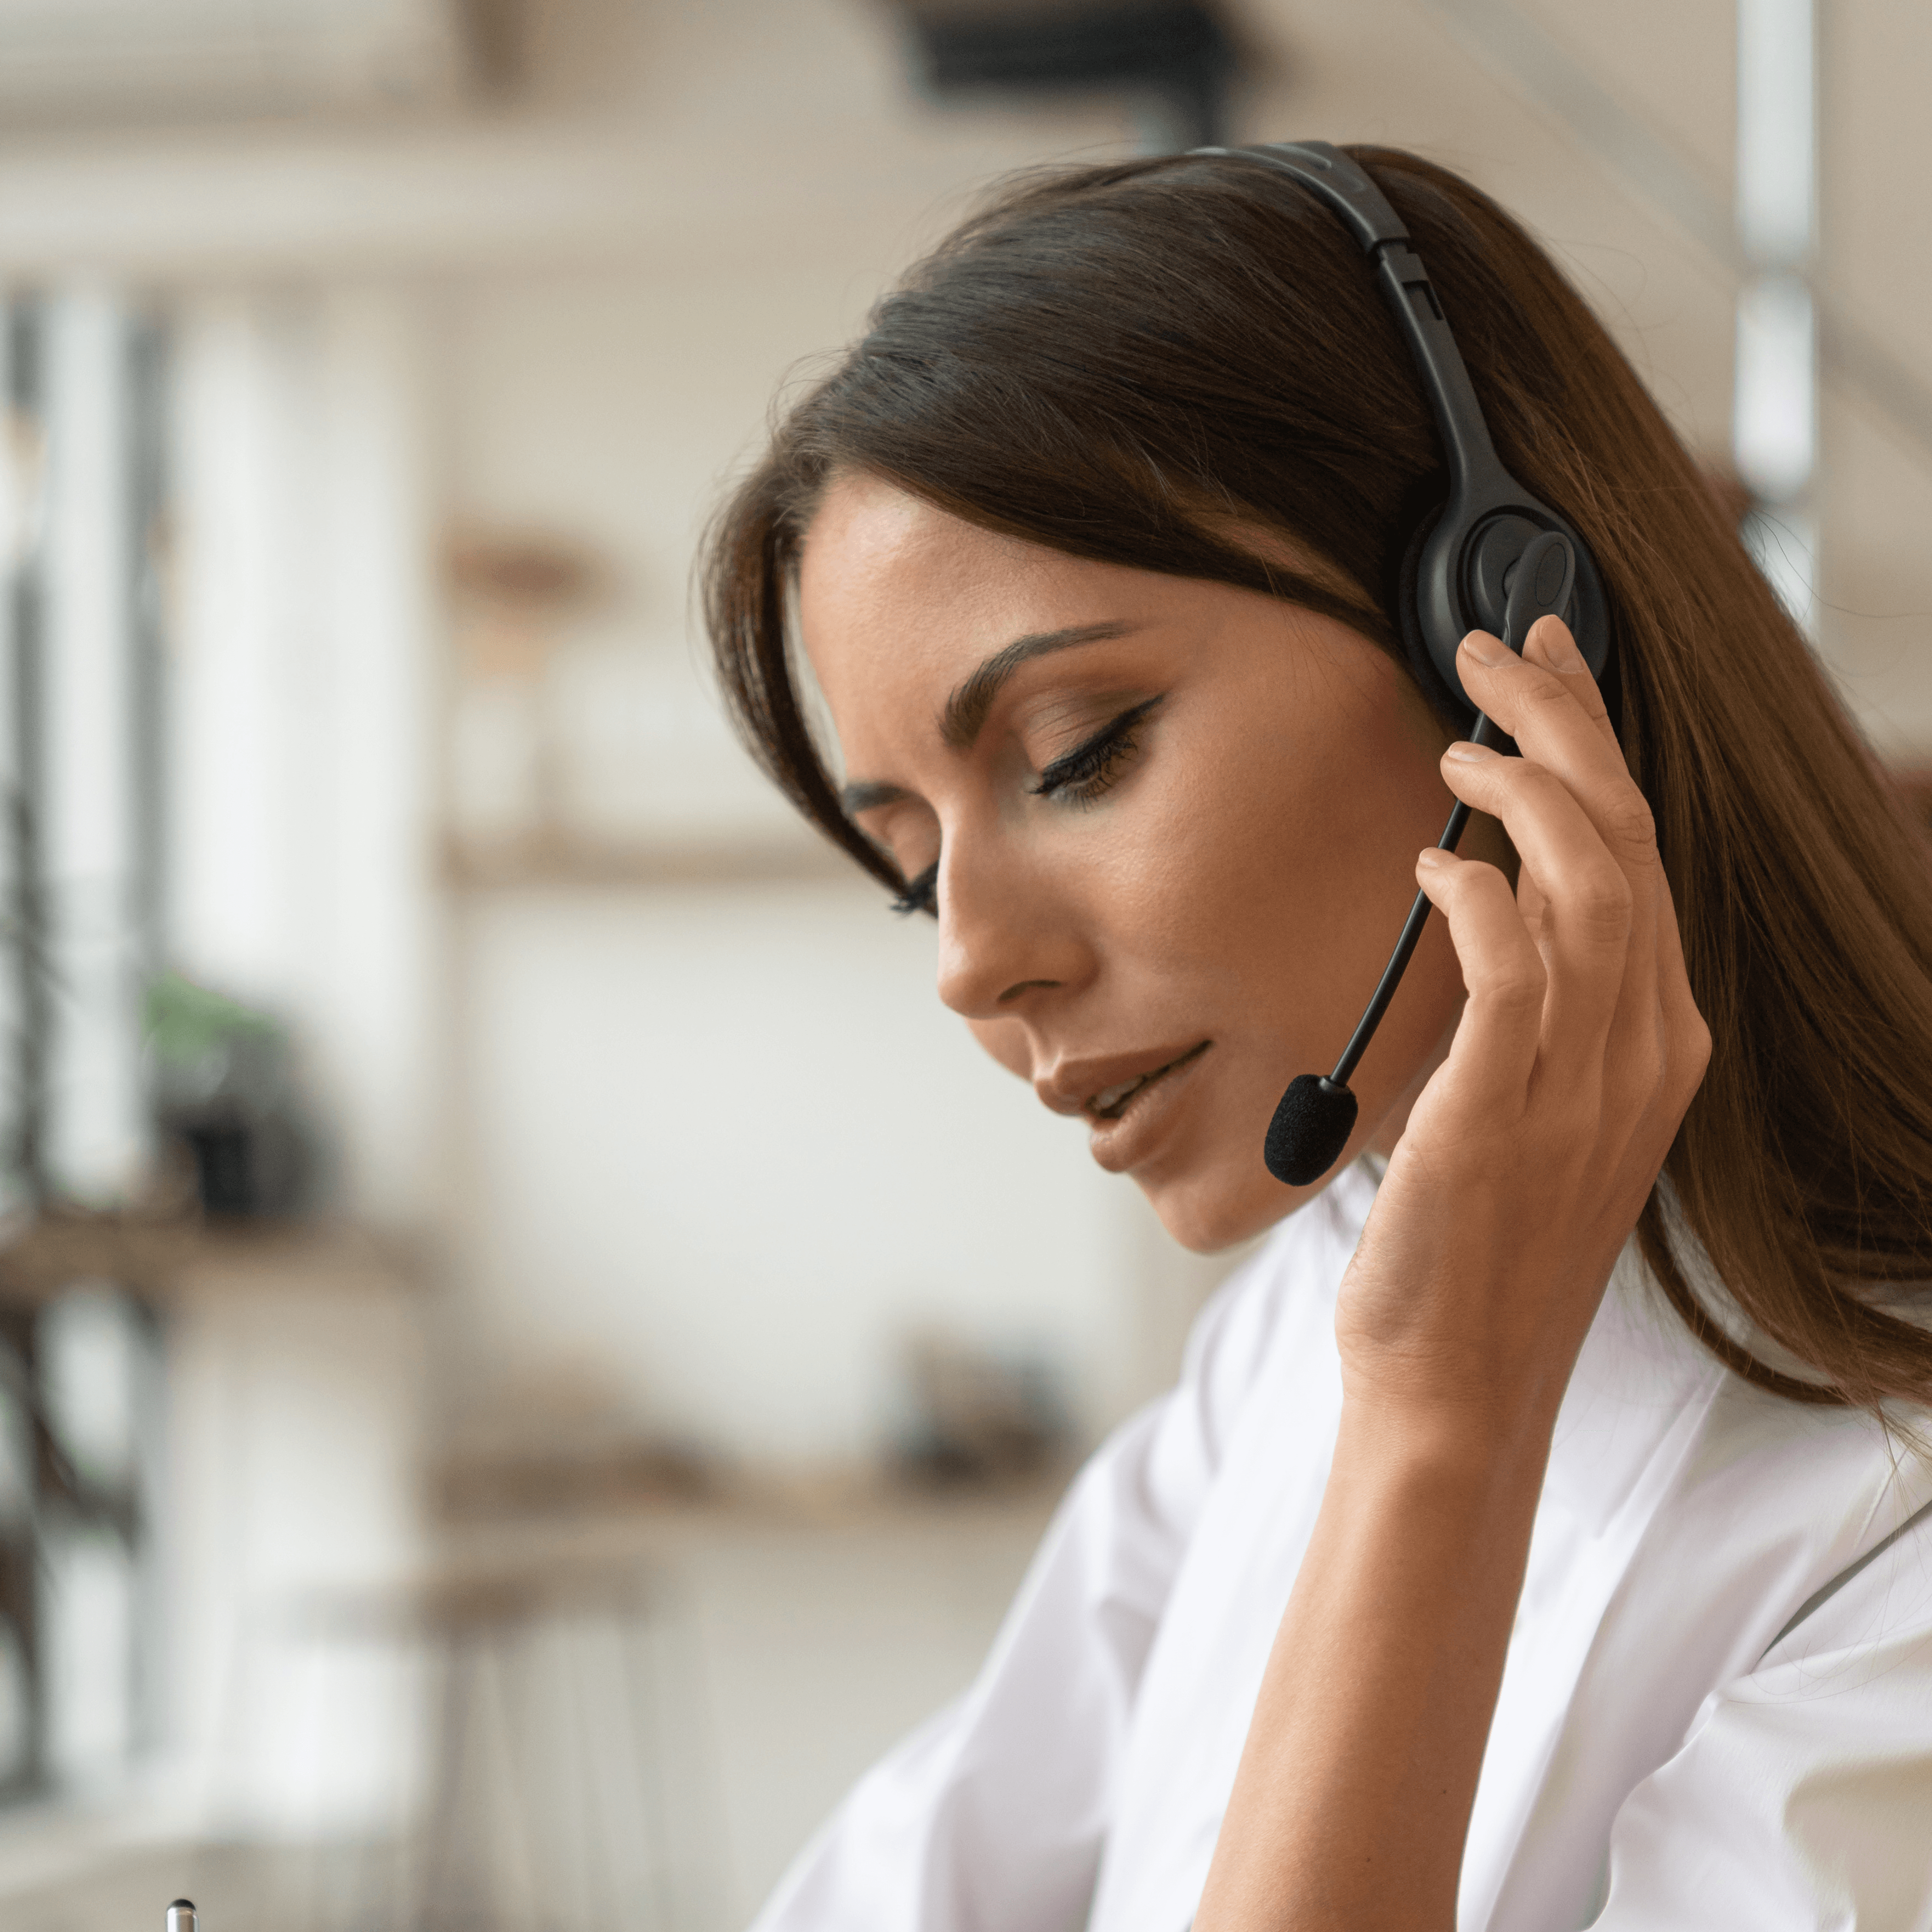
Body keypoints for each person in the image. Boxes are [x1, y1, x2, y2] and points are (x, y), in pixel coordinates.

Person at [700, 143, 1932, 1930]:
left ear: (1512, 640)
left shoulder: (1881, 1526)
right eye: (914, 874)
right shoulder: (1294, 1331)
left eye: (1075, 752)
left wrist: (1446, 1426)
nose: (971, 965)